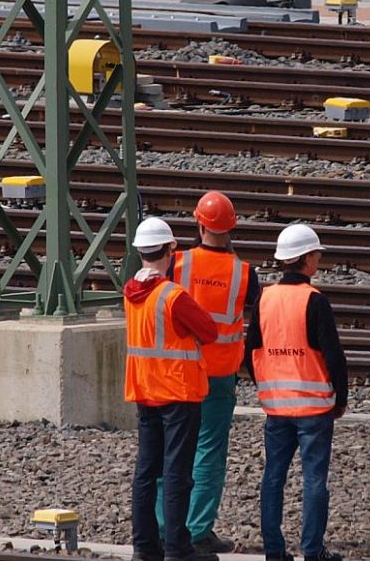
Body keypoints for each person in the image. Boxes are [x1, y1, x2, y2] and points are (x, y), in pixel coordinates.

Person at [157, 190, 256, 555]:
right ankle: (197, 529)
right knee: (209, 451)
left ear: (199, 223)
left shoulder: (177, 264)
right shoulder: (244, 273)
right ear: (231, 228)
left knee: (171, 450)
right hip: (219, 374)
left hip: (181, 371)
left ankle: (164, 525)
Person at [246, 222, 347, 561]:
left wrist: (266, 387)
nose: (319, 258)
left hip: (276, 408)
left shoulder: (265, 297)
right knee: (314, 480)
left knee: (273, 476)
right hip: (314, 409)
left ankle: (274, 551)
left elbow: (251, 351)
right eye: (317, 253)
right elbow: (334, 356)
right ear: (306, 259)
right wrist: (341, 399)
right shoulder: (314, 300)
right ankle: (312, 550)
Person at [125, 216, 220, 561]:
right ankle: (179, 549)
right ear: (171, 250)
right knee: (178, 473)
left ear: (140, 252)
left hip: (144, 390)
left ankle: (144, 547)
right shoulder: (173, 295)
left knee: (147, 473)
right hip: (178, 393)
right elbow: (209, 331)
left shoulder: (131, 291)